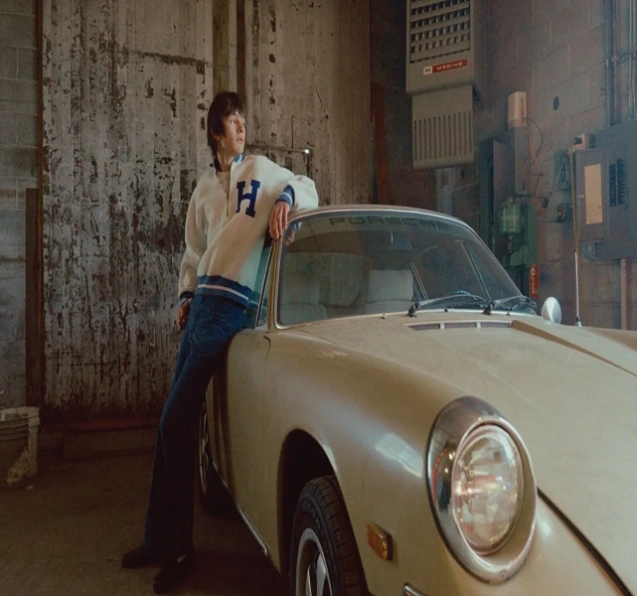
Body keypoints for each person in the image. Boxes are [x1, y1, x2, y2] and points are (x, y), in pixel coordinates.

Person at [121, 91, 319, 594]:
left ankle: (178, 550)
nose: (242, 128)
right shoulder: (205, 189)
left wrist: (287, 201)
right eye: (232, 122)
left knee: (175, 420)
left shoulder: (263, 171)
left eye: (243, 120)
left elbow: (307, 186)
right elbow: (193, 253)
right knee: (170, 423)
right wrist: (185, 295)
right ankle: (157, 540)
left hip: (233, 306)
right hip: (202, 307)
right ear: (215, 132)